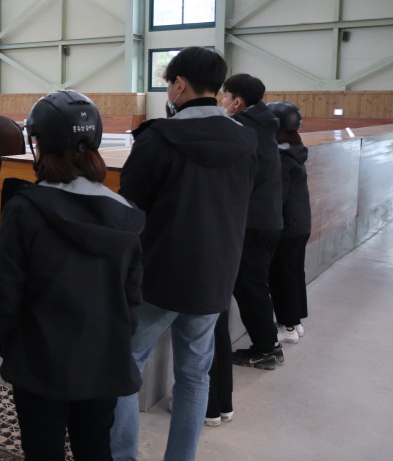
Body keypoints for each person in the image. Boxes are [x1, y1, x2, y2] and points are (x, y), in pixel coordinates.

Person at [0, 90, 144, 461]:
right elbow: (131, 297)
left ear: (40, 144)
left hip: (40, 361)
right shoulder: (126, 213)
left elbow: (5, 294)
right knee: (95, 446)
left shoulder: (25, 211)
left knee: (42, 449)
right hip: (103, 360)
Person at [110, 47, 257, 461]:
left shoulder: (158, 138)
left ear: (179, 84)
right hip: (216, 273)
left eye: (167, 84)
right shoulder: (245, 139)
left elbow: (130, 209)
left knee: (127, 364)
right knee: (194, 376)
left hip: (160, 274)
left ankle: (122, 455)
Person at [220, 74, 285, 370]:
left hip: (254, 222)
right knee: (254, 285)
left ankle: (265, 349)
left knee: (250, 287)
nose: (221, 102)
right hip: (268, 218)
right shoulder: (263, 124)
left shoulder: (243, 128)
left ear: (237, 101)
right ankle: (269, 344)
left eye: (224, 96)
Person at [267, 101, 311, 344]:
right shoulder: (296, 149)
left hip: (287, 225)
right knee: (294, 273)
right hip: (300, 223)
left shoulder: (281, 157)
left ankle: (289, 328)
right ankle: (296, 321)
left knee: (281, 276)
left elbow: (278, 196)